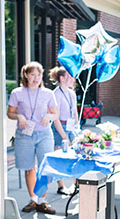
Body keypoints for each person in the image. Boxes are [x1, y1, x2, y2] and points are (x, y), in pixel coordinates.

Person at [7, 61, 59, 214]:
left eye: (38, 75)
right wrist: (19, 116)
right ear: (26, 75)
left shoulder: (48, 94)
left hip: (44, 134)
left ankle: (42, 201)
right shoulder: (17, 92)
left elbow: (55, 113)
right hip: (24, 135)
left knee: (43, 168)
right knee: (29, 169)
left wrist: (49, 116)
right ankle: (33, 200)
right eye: (32, 75)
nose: (36, 78)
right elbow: (9, 113)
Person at [49, 66, 78, 195]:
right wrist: (63, 136)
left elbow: (75, 112)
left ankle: (76, 184)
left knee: (76, 154)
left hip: (71, 127)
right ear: (62, 78)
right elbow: (55, 118)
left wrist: (76, 127)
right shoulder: (56, 94)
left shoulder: (71, 93)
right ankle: (61, 186)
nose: (73, 79)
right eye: (69, 76)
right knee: (60, 157)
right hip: (59, 127)